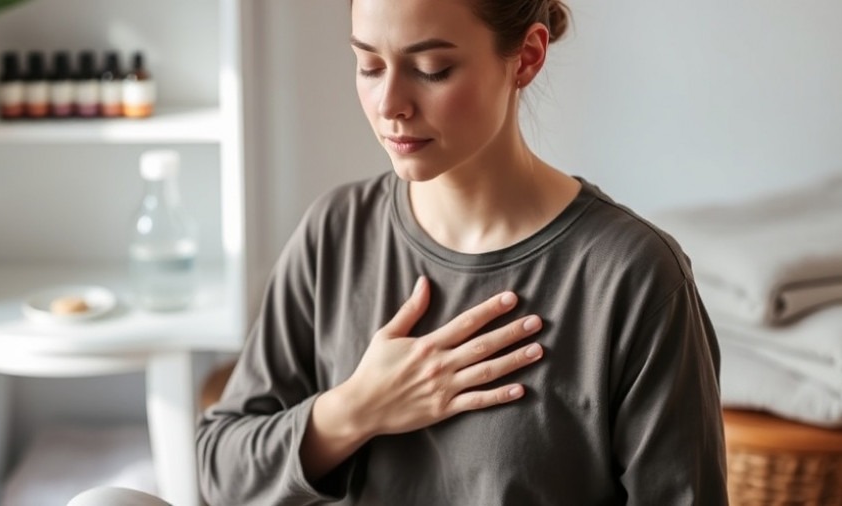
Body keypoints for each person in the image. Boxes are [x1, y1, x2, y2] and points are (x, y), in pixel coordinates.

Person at [197, 0, 729, 504]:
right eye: (368, 65)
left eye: (431, 69)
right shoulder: (335, 233)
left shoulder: (633, 279)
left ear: (527, 57)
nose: (390, 106)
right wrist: (355, 409)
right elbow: (222, 471)